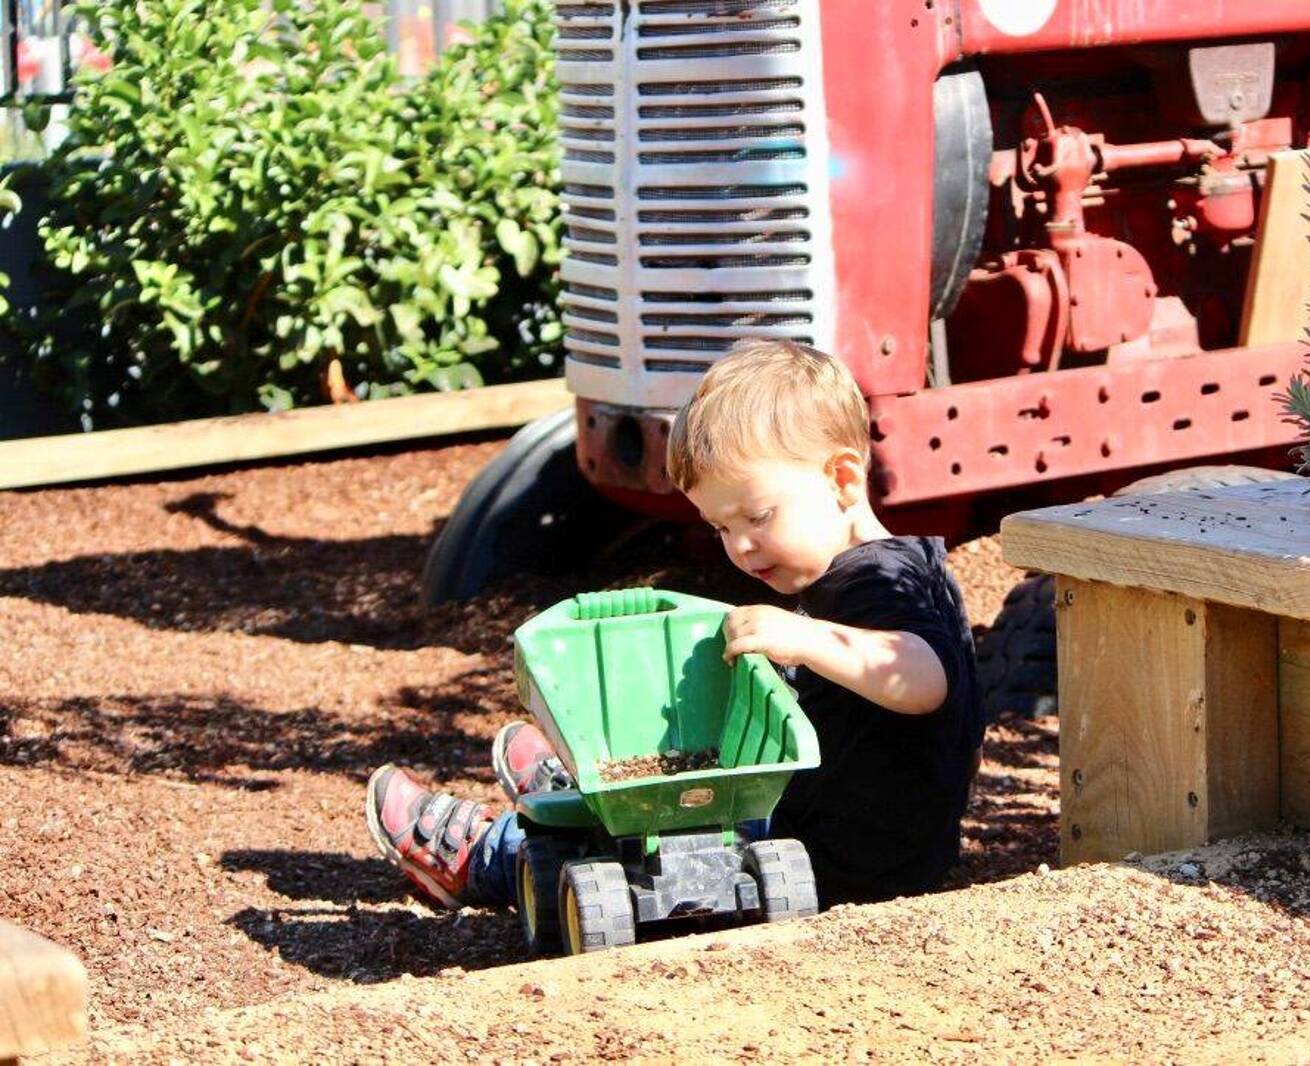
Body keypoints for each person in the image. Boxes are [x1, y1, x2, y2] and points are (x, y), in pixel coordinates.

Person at [365, 338, 984, 911]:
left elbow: (924, 679)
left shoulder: (877, 583)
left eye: (757, 515)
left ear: (843, 478)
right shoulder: (893, 568)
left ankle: (488, 858)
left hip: (836, 866)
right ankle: (583, 789)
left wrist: (806, 640)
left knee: (653, 845)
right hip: (833, 834)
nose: (740, 547)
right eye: (722, 527)